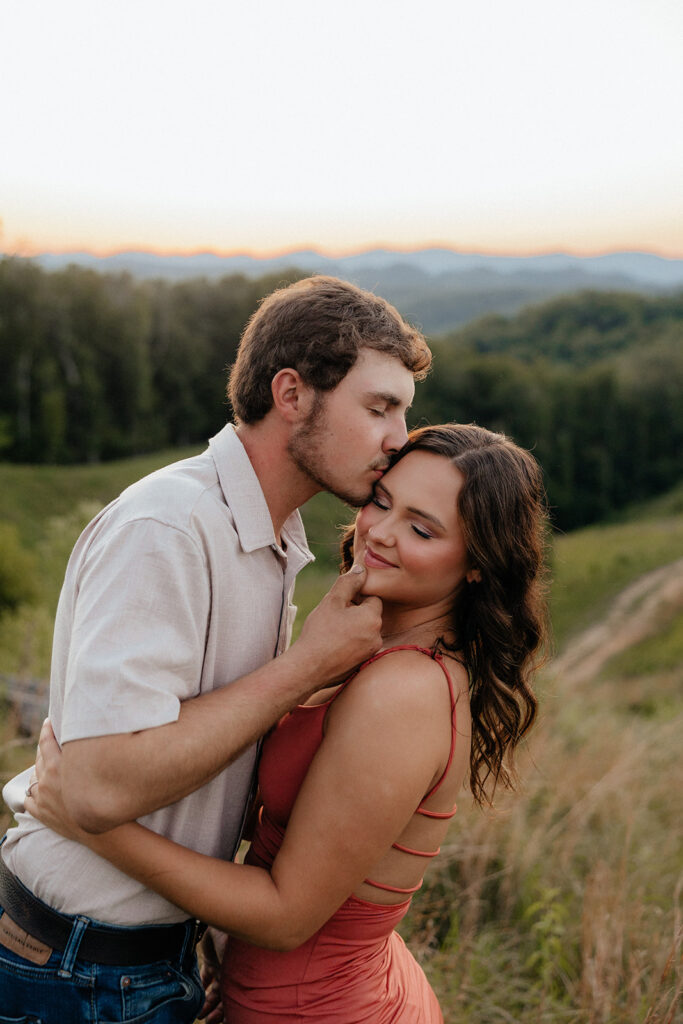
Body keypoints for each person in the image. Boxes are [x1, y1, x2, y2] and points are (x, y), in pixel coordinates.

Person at [0, 275, 431, 1022]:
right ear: (290, 394)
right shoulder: (169, 528)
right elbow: (99, 789)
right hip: (73, 974)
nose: (398, 439)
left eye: (403, 412)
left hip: (142, 963)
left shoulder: (270, 535)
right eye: (378, 408)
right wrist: (307, 666)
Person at [26, 423, 549, 1023]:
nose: (379, 532)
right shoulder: (368, 643)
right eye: (382, 501)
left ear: (479, 565)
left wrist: (92, 823)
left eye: (422, 528)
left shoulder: (404, 691)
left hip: (320, 1010)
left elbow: (286, 916)